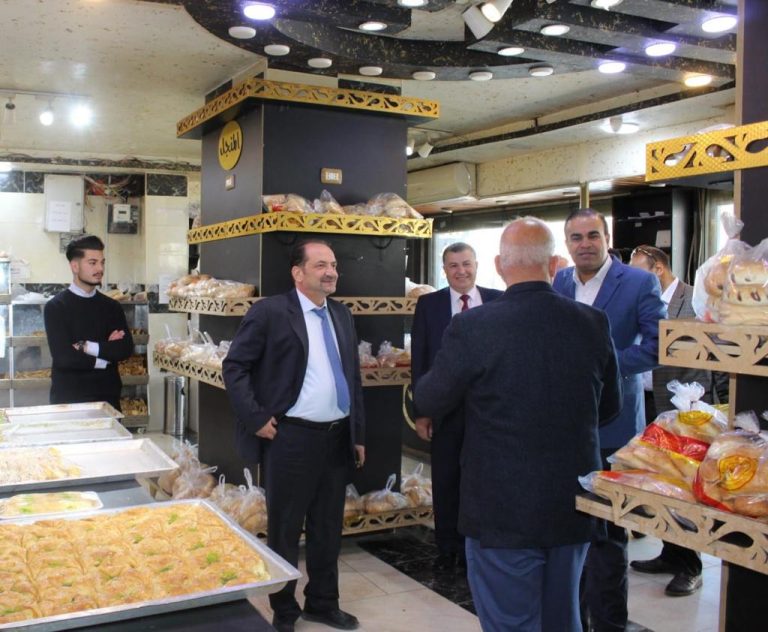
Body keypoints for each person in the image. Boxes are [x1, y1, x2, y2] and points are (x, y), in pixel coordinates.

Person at [414, 218, 622, 632]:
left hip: (501, 509)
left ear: (498, 265)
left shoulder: (474, 326)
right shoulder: (592, 321)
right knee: (563, 617)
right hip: (571, 503)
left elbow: (431, 398)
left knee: (511, 621)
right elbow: (608, 407)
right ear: (556, 264)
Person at [222, 239, 365, 632]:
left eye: (333, 265)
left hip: (336, 437)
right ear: (297, 273)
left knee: (327, 528)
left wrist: (358, 434)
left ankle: (323, 603)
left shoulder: (341, 314)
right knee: (285, 530)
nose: (331, 272)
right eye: (320, 265)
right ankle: (284, 610)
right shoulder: (270, 312)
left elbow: (353, 377)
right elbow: (235, 366)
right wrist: (255, 417)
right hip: (291, 439)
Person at [553, 209, 666, 632]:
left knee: (609, 533)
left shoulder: (638, 282)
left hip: (615, 424)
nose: (585, 244)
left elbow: (657, 346)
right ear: (567, 243)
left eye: (593, 235)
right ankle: (575, 618)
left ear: (606, 238)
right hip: (566, 425)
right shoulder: (561, 282)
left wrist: (604, 364)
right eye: (576, 237)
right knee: (572, 527)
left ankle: (609, 623)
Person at [410, 242, 503, 571]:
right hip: (445, 410)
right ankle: (447, 547)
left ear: (476, 265)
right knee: (446, 479)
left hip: (489, 412)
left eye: (466, 264)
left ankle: (481, 543)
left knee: (484, 478)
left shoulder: (498, 300)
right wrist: (421, 411)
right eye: (453, 265)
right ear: (444, 270)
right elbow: (420, 360)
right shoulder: (429, 305)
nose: (461, 271)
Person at [628, 244, 708, 597]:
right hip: (645, 403)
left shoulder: (692, 301)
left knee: (683, 487)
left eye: (638, 270)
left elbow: (708, 359)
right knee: (658, 484)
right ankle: (670, 552)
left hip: (683, 407)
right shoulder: (640, 302)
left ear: (657, 268)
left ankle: (691, 565)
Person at [44, 234, 133, 411]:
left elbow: (125, 348)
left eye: (102, 262)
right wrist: (105, 359)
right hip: (69, 401)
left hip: (108, 399)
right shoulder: (56, 307)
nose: (100, 268)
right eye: (92, 263)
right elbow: (64, 358)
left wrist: (86, 346)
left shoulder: (112, 306)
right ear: (75, 266)